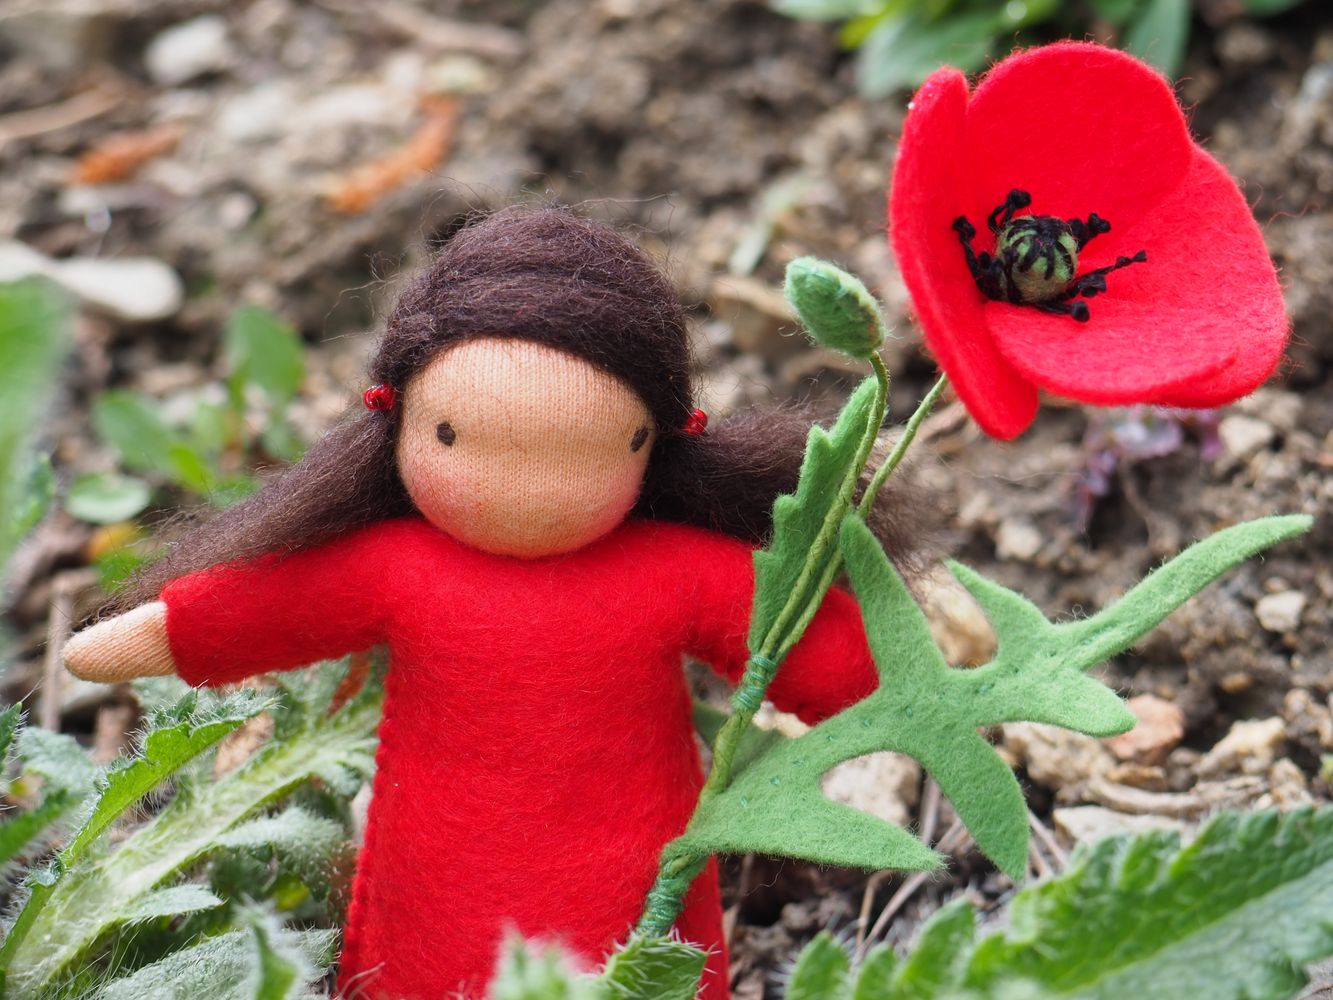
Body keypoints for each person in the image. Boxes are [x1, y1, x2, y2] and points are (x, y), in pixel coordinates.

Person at [65, 207, 914, 999]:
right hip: (438, 887)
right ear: (396, 421)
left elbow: (814, 645)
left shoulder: (671, 573)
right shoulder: (400, 568)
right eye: (451, 437)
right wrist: (163, 631)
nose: (527, 490)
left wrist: (909, 693)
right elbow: (270, 604)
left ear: (652, 444)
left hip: (623, 889)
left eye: (589, 448)